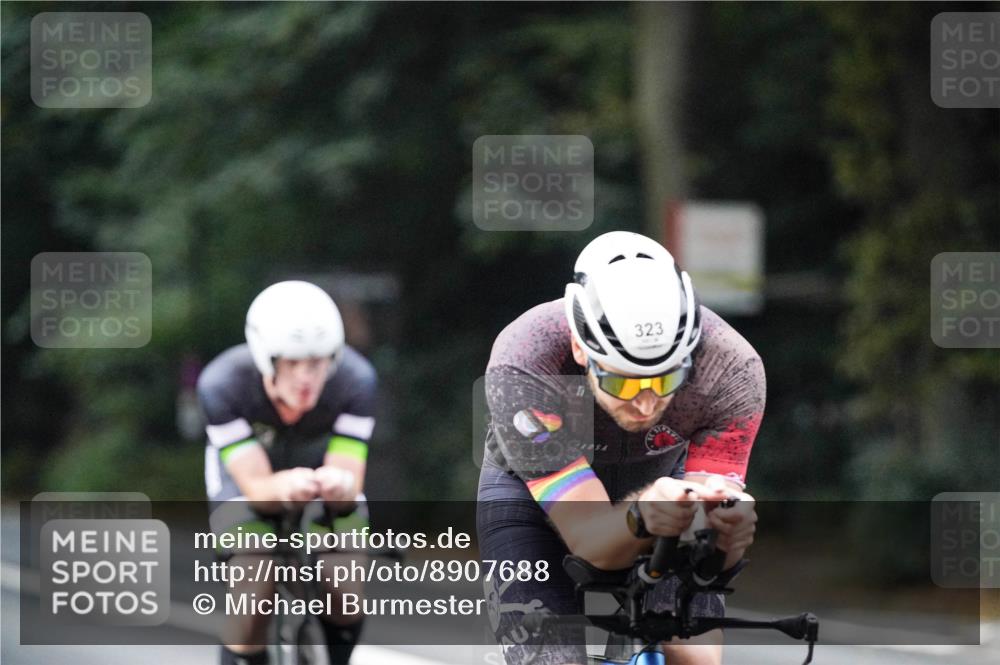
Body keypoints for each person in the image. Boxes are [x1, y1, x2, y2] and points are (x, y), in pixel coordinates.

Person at [477, 231, 763, 665]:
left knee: (695, 656)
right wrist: (642, 515)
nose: (646, 403)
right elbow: (590, 541)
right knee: (549, 658)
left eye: (665, 380)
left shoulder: (731, 368)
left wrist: (729, 537)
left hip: (665, 483)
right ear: (580, 348)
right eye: (623, 382)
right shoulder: (526, 358)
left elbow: (710, 557)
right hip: (531, 494)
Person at [199, 280, 378, 665]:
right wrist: (283, 488)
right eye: (291, 362)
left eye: (317, 362)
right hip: (248, 486)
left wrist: (340, 486)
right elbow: (256, 487)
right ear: (266, 358)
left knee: (345, 587)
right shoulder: (222, 384)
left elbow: (348, 483)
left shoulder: (356, 380)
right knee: (252, 595)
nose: (305, 377)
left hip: (320, 484)